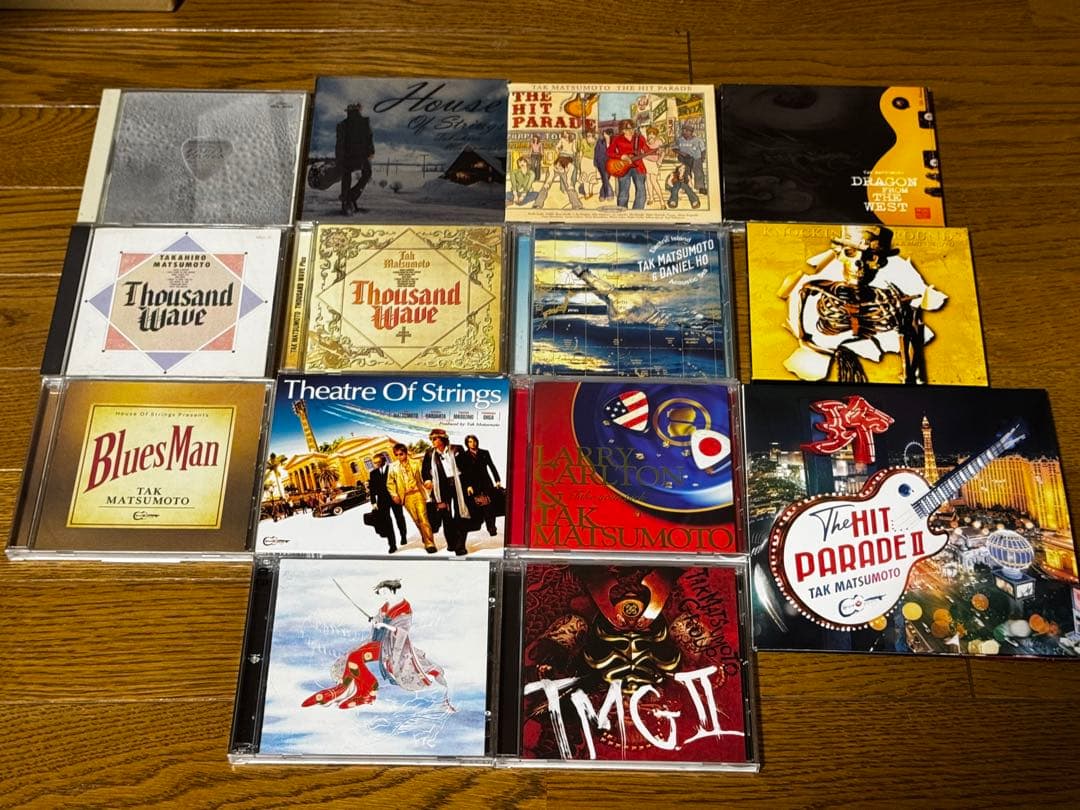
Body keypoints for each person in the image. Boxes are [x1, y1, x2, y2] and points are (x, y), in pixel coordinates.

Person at [782, 225, 947, 383]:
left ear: (881, 263)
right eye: (850, 253)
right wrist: (803, 338)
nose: (858, 263)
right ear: (840, 255)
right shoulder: (812, 289)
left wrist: (910, 373)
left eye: (871, 257)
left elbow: (911, 328)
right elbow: (801, 291)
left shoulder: (893, 301)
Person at [301, 580, 451, 711]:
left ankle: (367, 691)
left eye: (384, 592)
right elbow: (379, 620)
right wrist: (375, 621)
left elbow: (402, 632)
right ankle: (357, 689)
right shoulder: (386, 606)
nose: (382, 595)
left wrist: (384, 626)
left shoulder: (405, 609)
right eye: (381, 593)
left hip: (391, 647)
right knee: (353, 656)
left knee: (355, 657)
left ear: (392, 590)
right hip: (379, 642)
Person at [422, 428, 471, 555]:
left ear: (442, 439)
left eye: (435, 439)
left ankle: (461, 546)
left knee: (461, 514)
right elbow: (425, 470)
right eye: (431, 439)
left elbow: (467, 468)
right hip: (442, 487)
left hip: (459, 484)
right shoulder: (429, 454)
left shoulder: (457, 449)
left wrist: (469, 485)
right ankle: (451, 543)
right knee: (446, 515)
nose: (432, 441)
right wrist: (427, 480)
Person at [386, 442, 437, 553]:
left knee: (423, 518)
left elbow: (424, 476)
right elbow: (390, 483)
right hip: (405, 497)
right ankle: (425, 536)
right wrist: (394, 495)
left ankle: (430, 543)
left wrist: (428, 484)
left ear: (406, 453)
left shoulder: (416, 463)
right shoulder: (393, 467)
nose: (399, 457)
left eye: (401, 454)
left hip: (418, 493)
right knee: (416, 520)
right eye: (397, 455)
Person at [457, 434, 502, 537]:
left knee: (489, 505)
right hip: (473, 485)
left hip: (486, 482)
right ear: (467, 444)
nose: (473, 443)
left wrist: (497, 480)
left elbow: (492, 466)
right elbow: (464, 473)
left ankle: (491, 528)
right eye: (470, 442)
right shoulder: (464, 456)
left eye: (474, 441)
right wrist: (468, 485)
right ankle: (480, 524)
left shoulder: (484, 453)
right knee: (480, 504)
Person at [336, 102, 374, 215]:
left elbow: (339, 144)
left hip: (352, 156)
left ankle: (348, 199)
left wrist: (339, 159)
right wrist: (370, 151)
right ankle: (349, 199)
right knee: (365, 173)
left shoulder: (344, 124)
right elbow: (369, 138)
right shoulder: (363, 122)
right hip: (356, 155)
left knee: (349, 176)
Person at [607, 119, 653, 210]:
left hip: (638, 166)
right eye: (627, 129)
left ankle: (637, 212)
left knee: (641, 191)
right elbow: (609, 152)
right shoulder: (617, 139)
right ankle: (622, 212)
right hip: (623, 168)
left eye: (632, 128)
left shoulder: (639, 138)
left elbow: (646, 150)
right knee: (623, 192)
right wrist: (621, 156)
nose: (630, 131)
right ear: (622, 130)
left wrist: (657, 150)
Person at [368, 452, 407, 554]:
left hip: (394, 498)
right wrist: (373, 502)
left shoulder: (392, 469)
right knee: (386, 522)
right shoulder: (373, 473)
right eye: (374, 462)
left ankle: (403, 536)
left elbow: (399, 483)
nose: (376, 464)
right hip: (382, 501)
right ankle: (392, 545)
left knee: (399, 518)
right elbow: (372, 489)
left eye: (378, 462)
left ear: (384, 460)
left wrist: (400, 496)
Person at [674, 124, 706, 194]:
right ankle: (687, 187)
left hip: (696, 158)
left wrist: (702, 158)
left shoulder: (698, 140)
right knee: (686, 173)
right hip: (684, 159)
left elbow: (703, 150)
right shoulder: (679, 140)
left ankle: (701, 187)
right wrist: (681, 153)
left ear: (691, 132)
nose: (684, 132)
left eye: (686, 131)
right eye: (683, 131)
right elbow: (675, 148)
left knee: (698, 173)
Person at [643, 126, 666, 206]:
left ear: (656, 135)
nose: (651, 135)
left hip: (654, 163)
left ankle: (661, 200)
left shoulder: (659, 142)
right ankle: (651, 198)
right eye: (649, 134)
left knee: (653, 181)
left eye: (653, 134)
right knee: (648, 180)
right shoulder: (645, 142)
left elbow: (663, 152)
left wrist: (660, 160)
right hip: (645, 161)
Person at [594, 128, 614, 201]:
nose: (604, 134)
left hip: (611, 163)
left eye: (605, 133)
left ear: (609, 134)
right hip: (601, 163)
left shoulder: (613, 142)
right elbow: (596, 152)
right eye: (604, 133)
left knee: (605, 179)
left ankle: (602, 194)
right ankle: (609, 194)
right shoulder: (600, 142)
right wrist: (595, 162)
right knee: (605, 178)